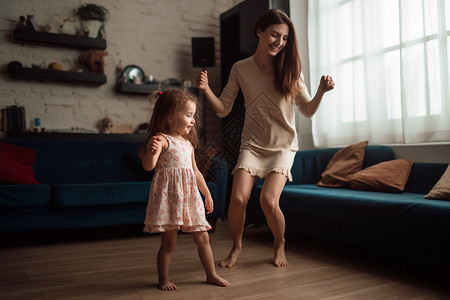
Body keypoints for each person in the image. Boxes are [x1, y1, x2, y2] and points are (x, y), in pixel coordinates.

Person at [195, 9, 335, 268]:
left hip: (283, 146)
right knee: (237, 199)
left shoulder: (291, 69)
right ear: (259, 32)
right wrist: (205, 90)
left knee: (268, 201)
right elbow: (223, 108)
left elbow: (306, 109)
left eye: (284, 39)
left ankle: (279, 243)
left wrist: (321, 92)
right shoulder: (241, 69)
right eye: (274, 35)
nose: (279, 42)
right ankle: (236, 247)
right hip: (252, 144)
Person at [140, 89, 229, 291]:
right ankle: (163, 278)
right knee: (169, 243)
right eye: (189, 115)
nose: (193, 120)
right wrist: (151, 153)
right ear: (170, 115)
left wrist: (206, 193)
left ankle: (211, 274)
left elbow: (196, 173)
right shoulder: (162, 139)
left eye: (193, 116)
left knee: (203, 237)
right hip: (169, 199)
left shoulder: (188, 144)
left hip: (190, 197)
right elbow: (149, 166)